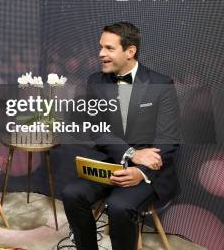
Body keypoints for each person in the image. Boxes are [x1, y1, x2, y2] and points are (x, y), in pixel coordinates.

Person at [62, 22, 180, 250]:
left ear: (130, 51)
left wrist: (141, 171)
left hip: (150, 172)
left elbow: (168, 140)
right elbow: (96, 129)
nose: (101, 54)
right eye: (100, 47)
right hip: (109, 162)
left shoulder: (161, 84)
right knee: (71, 193)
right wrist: (131, 154)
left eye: (108, 48)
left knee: (119, 206)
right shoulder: (95, 82)